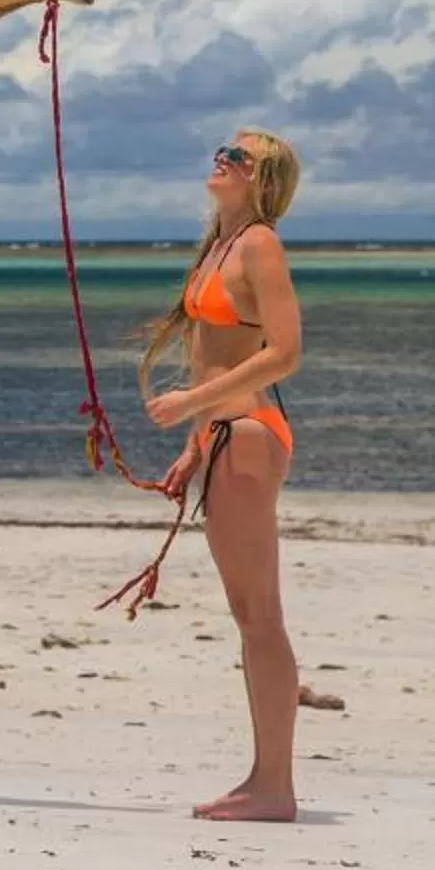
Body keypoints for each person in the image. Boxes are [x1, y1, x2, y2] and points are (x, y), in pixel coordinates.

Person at [142, 129, 305, 823]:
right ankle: (265, 780)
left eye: (238, 157)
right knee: (250, 617)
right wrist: (194, 444)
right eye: (221, 150)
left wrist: (193, 406)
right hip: (222, 439)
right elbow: (215, 352)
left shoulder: (261, 243)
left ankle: (274, 787)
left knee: (260, 617)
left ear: (262, 179)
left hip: (248, 436)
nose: (222, 160)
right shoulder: (220, 244)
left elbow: (285, 354)